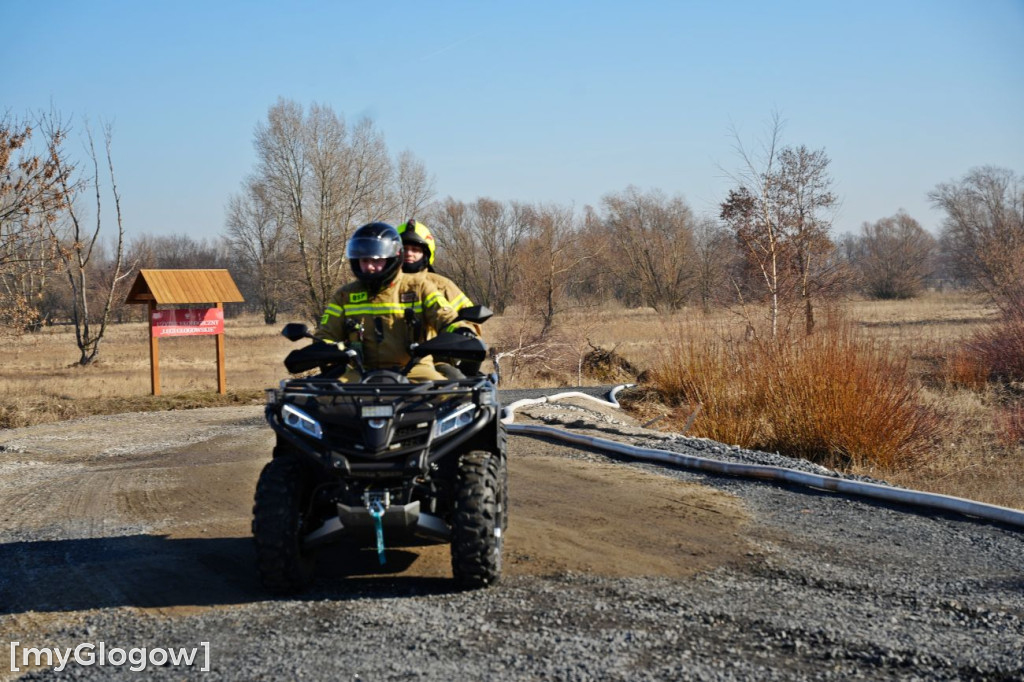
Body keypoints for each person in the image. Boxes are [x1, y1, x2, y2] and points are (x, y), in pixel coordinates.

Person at [314, 222, 476, 382]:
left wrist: (461, 332)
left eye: (376, 260)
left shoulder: (420, 287)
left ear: (392, 258)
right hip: (360, 371)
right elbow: (326, 335)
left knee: (453, 394)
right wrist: (326, 349)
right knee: (324, 395)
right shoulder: (345, 295)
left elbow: (447, 319)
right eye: (364, 260)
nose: (369, 267)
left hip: (415, 369)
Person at [397, 219, 483, 376]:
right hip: (383, 363)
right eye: (404, 248)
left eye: (415, 249)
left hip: (433, 362)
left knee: (454, 380)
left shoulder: (442, 286)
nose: (409, 253)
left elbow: (469, 322)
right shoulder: (379, 286)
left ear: (426, 253)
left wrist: (464, 333)